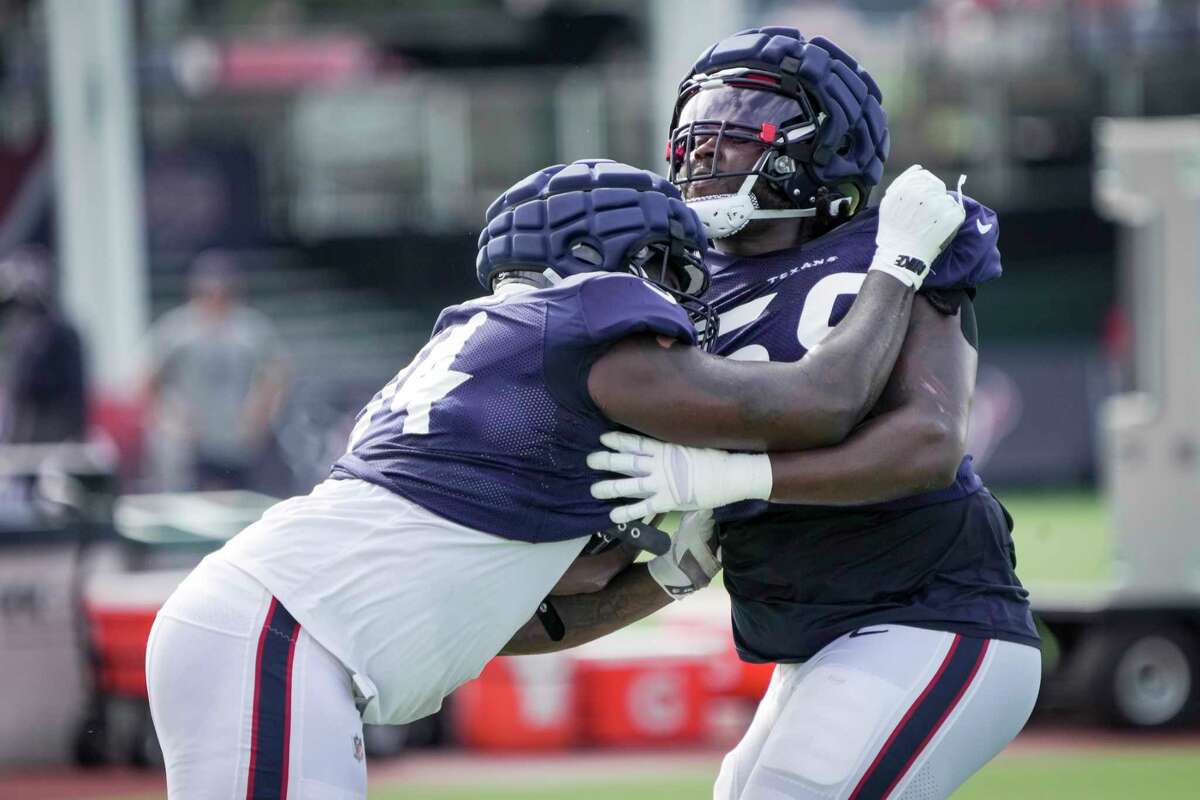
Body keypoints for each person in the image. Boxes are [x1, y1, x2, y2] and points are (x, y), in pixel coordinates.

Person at [144, 157, 963, 798]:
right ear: (617, 262)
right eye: (673, 266)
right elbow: (820, 402)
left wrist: (669, 579)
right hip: (283, 635)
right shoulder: (581, 325)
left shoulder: (507, 366)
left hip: (277, 630)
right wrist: (898, 264)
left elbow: (522, 616)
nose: (691, 292)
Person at [506, 29, 1040, 800]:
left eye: (744, 116)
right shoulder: (674, 288)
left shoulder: (893, 244)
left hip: (935, 614)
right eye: (699, 119)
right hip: (808, 640)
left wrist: (727, 476)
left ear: (822, 142)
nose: (704, 142)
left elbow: (929, 440)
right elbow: (666, 548)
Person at [142, 250, 287, 491]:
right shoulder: (177, 330)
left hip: (240, 438)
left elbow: (277, 373)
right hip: (195, 441)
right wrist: (170, 416)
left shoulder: (250, 329)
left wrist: (260, 413)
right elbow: (147, 378)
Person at [0, 246, 87, 444]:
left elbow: (30, 388)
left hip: (49, 430)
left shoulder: (58, 333)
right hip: (22, 426)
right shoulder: (18, 335)